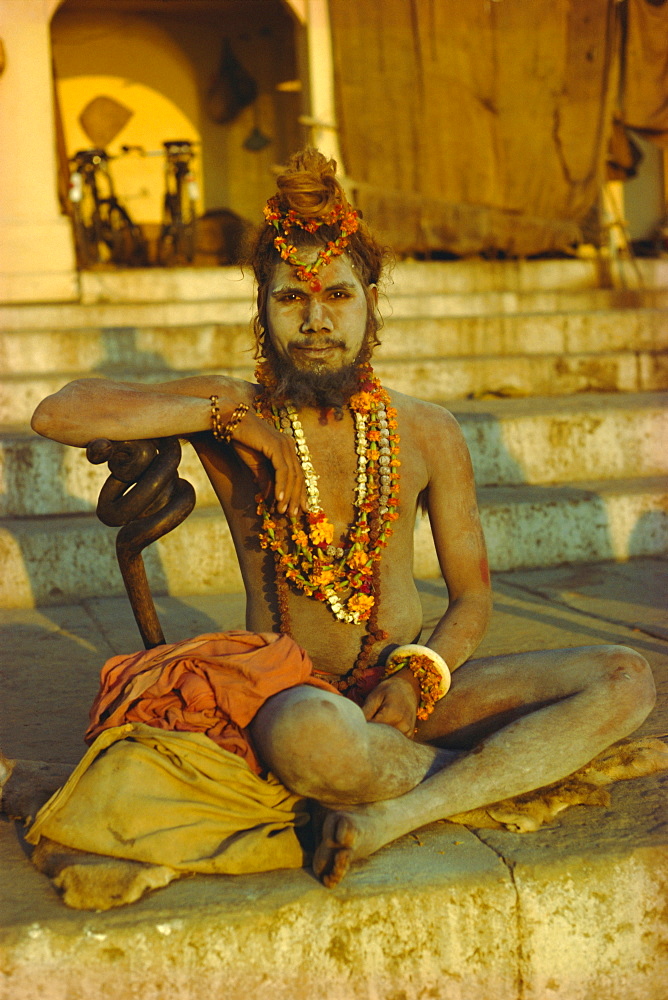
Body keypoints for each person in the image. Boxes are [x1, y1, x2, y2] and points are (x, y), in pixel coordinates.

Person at [29, 149, 655, 889]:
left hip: (405, 690)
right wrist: (231, 418)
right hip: (294, 695)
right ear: (262, 309)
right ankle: (512, 770)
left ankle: (395, 810)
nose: (316, 319)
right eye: (291, 298)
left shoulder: (427, 431)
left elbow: (473, 598)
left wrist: (420, 678)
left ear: (371, 302)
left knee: (626, 678)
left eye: (337, 294)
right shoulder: (235, 413)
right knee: (312, 741)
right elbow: (59, 410)